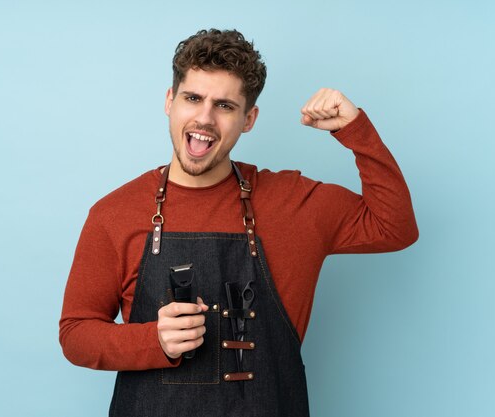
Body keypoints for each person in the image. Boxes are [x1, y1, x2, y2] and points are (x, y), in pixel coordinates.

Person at [59, 28, 418, 417]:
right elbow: (76, 334)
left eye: (225, 106)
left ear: (249, 119)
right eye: (193, 98)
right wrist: (153, 340)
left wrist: (355, 130)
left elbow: (394, 226)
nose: (205, 117)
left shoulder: (292, 202)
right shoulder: (115, 213)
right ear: (169, 101)